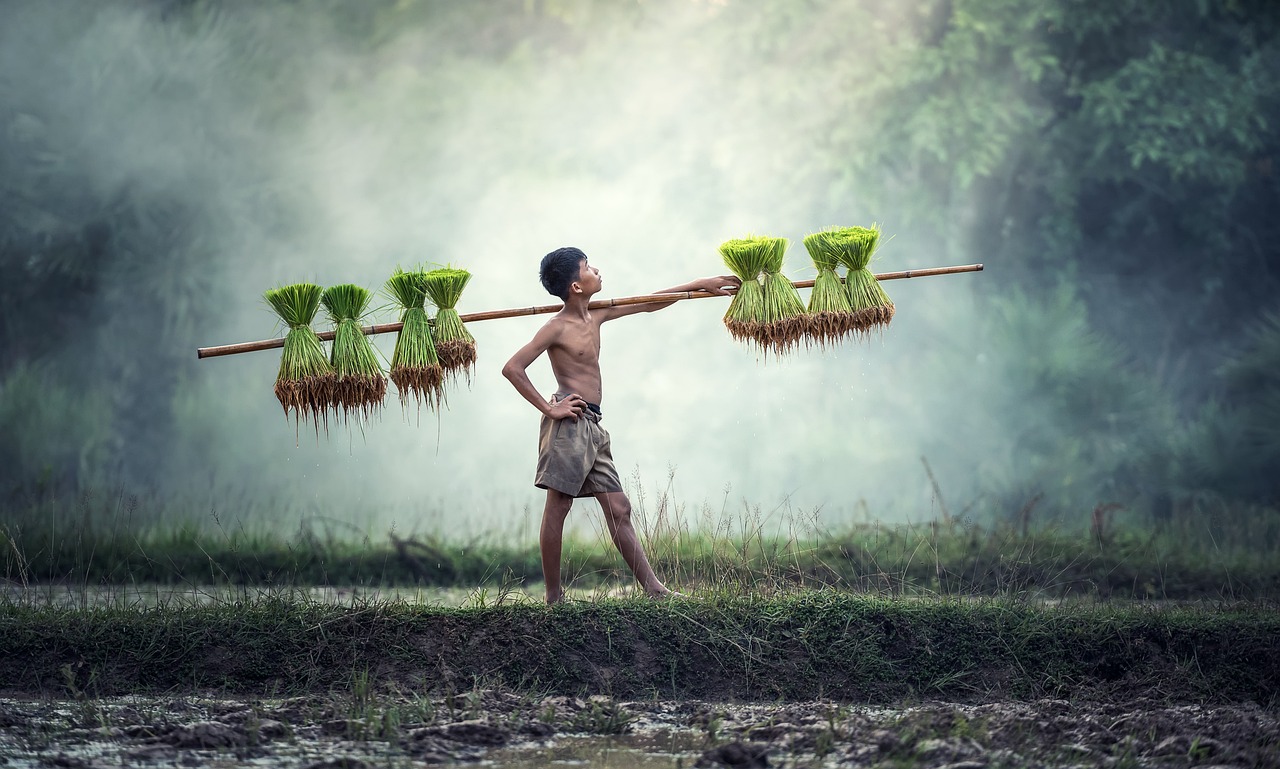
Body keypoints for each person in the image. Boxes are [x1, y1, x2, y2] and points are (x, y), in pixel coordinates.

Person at [502, 246, 740, 604]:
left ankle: (655, 590)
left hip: (593, 425)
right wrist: (551, 410)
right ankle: (553, 596)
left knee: (618, 509)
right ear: (576, 286)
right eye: (587, 267)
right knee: (559, 504)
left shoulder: (595, 314)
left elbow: (649, 302)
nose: (595, 270)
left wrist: (700, 284)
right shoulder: (555, 328)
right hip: (569, 423)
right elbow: (513, 368)